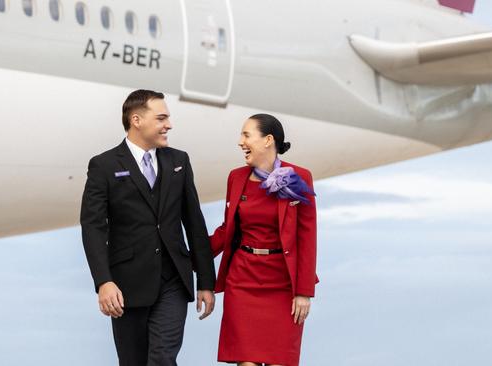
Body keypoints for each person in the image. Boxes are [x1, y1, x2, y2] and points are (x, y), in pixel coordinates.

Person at [80, 89, 216, 366]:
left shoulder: (179, 161)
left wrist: (205, 281)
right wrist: (104, 282)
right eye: (162, 118)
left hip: (174, 281)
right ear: (137, 120)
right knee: (133, 361)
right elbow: (93, 227)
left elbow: (194, 221)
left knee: (163, 357)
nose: (169, 125)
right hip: (126, 285)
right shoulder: (103, 165)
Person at [210, 113, 318, 366]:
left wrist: (304, 292)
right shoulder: (236, 177)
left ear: (268, 140)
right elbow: (228, 231)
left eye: (246, 135)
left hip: (283, 285)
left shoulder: (299, 177)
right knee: (246, 363)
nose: (240, 142)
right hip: (243, 281)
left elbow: (307, 236)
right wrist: (189, 256)